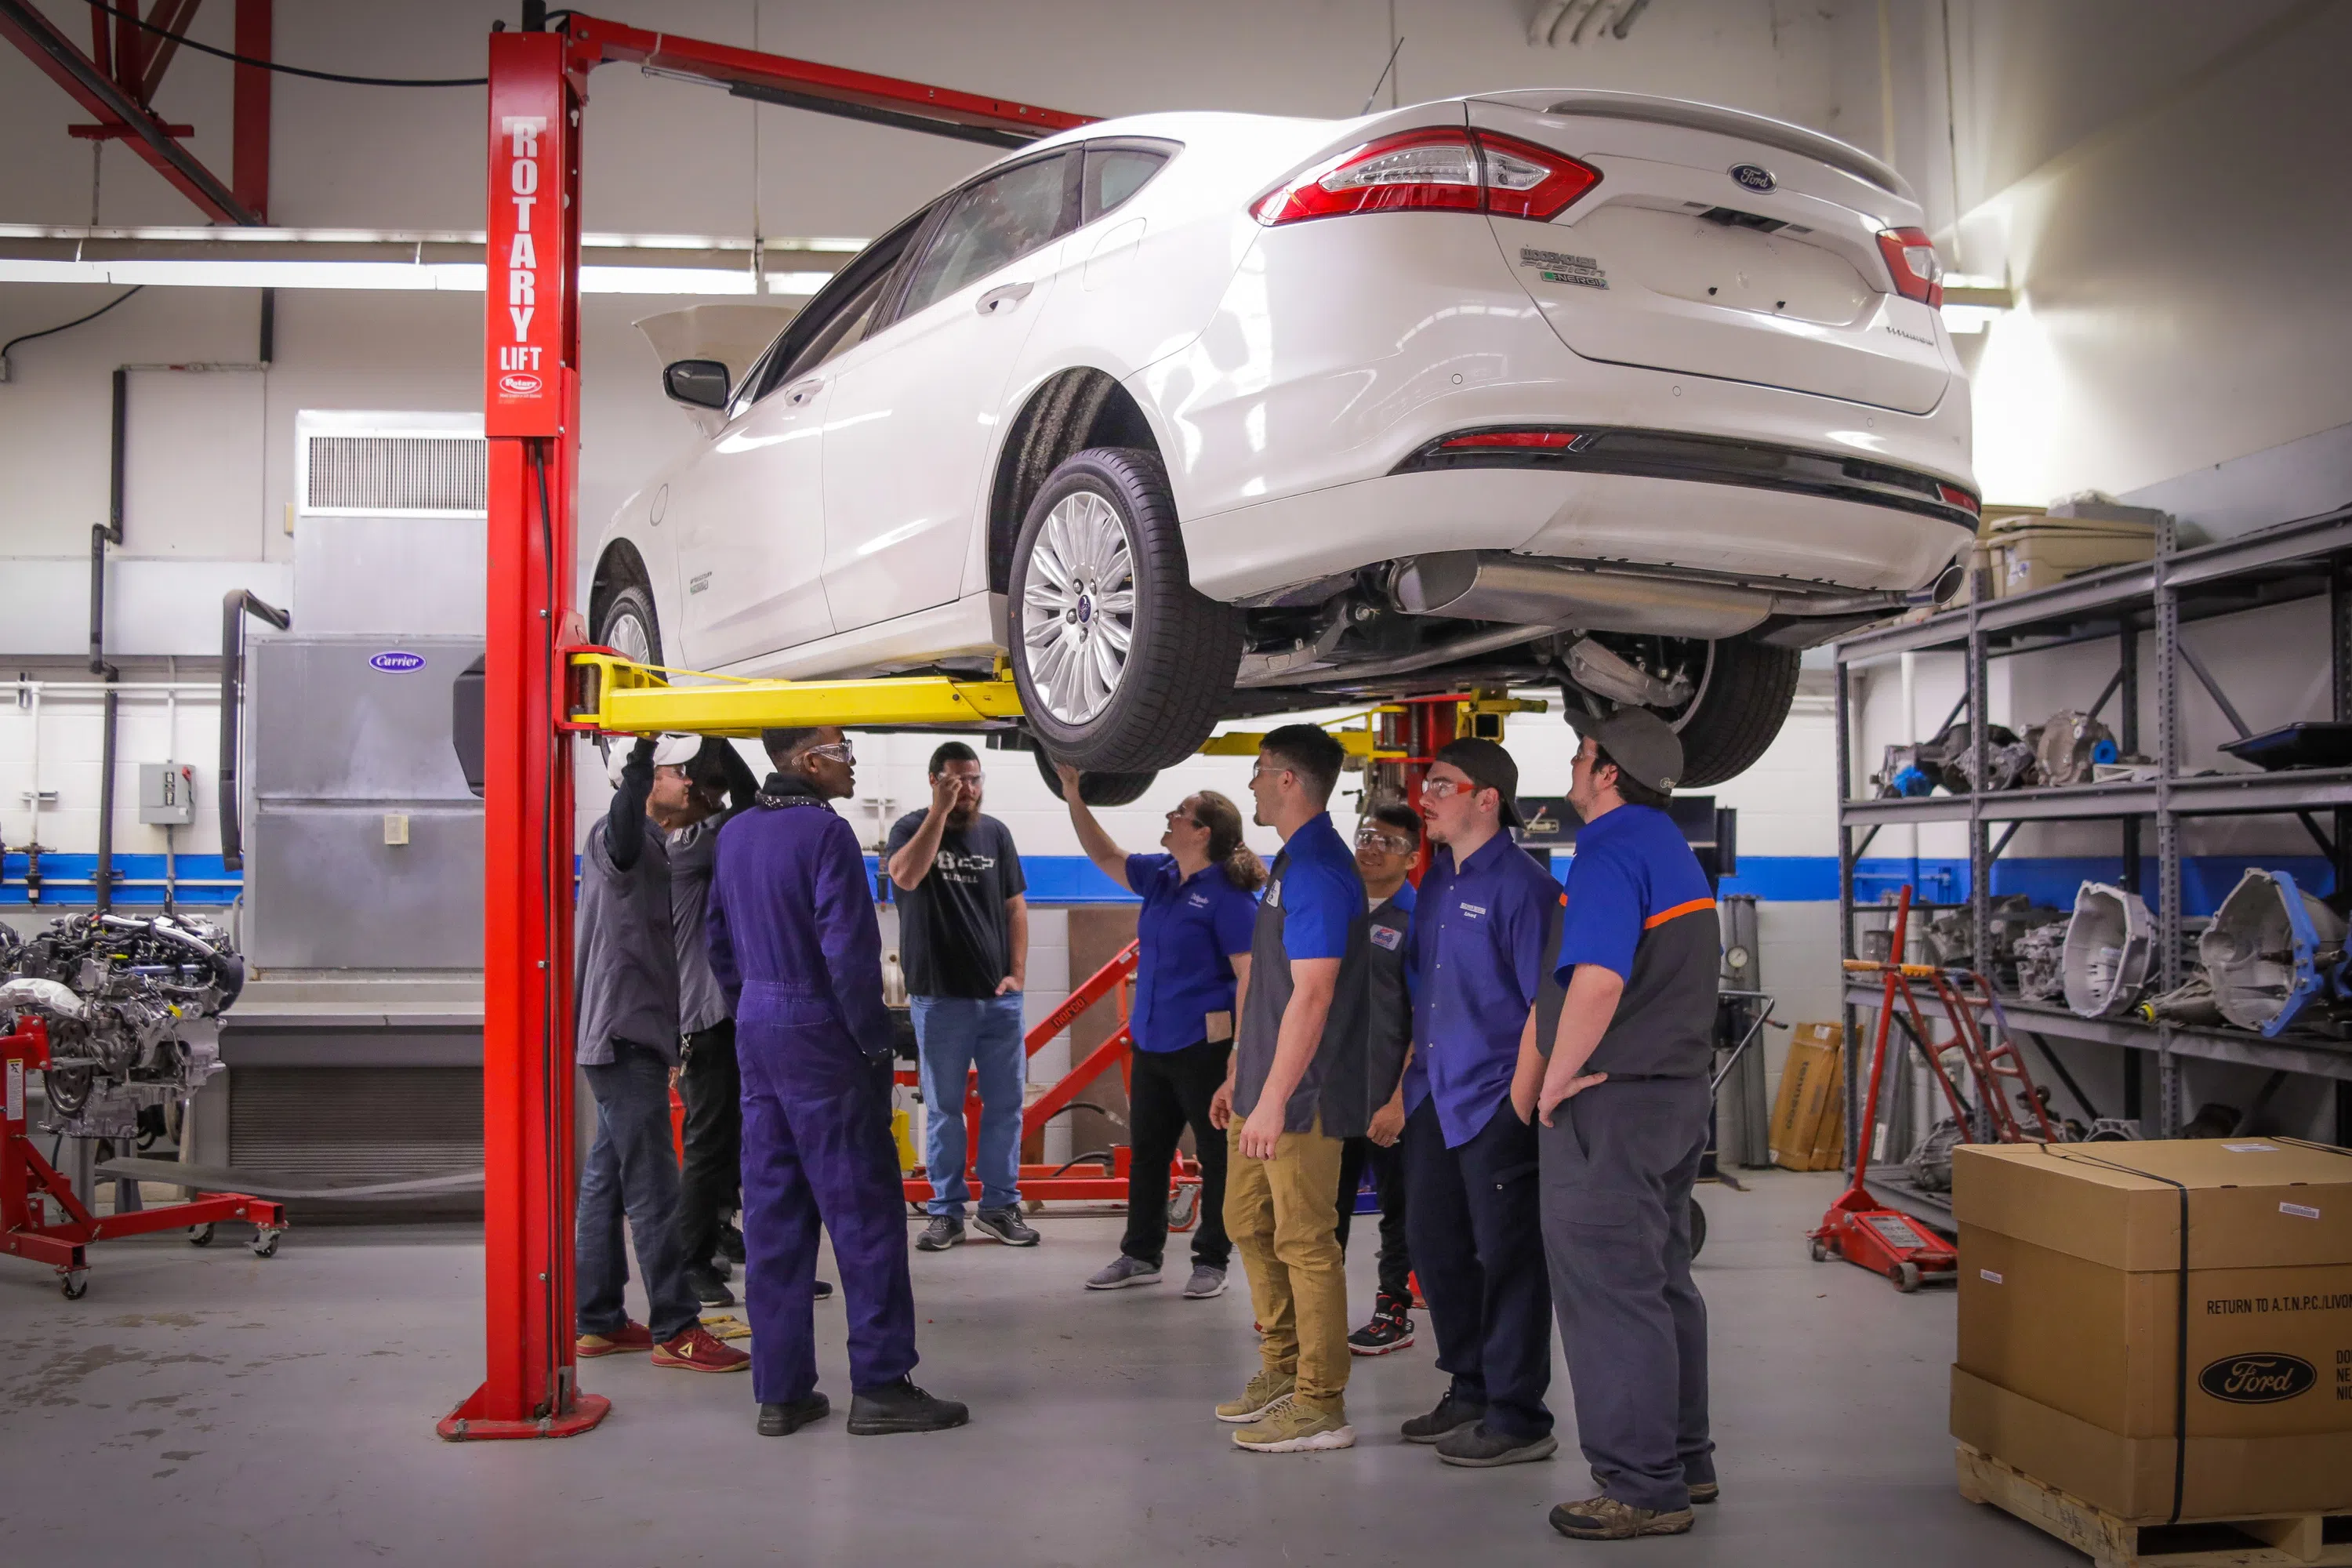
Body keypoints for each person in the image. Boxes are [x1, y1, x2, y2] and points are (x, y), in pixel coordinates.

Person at [709, 725, 967, 1437]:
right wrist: (872, 1045)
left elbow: (717, 943)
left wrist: (755, 1014)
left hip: (759, 1029)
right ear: (811, 761)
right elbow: (849, 955)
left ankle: (782, 1393)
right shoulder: (827, 838)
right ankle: (882, 1384)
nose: (852, 765)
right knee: (863, 1211)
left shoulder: (733, 835)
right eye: (844, 754)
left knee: (774, 1214)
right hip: (823, 1034)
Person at [1526, 709, 1718, 1540]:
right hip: (1673, 1097)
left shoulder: (1607, 846)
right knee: (1664, 1279)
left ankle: (1642, 1485)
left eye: (1581, 753)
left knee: (1609, 1292)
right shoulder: (1670, 847)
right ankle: (1684, 1458)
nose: (1574, 764)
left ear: (1607, 771)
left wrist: (1554, 1081)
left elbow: (1597, 981)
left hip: (1611, 1101)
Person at [1396, 738, 1560, 1468]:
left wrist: (1517, 1110)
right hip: (1434, 1096)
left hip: (1494, 1100)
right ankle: (1469, 1386)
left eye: (1441, 785)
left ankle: (1520, 1413)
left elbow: (1543, 1009)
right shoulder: (1434, 882)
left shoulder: (1523, 886)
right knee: (1436, 1250)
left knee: (1508, 1259)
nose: (1424, 797)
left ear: (1486, 798)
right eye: (1426, 784)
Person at [1209, 724, 1370, 1454]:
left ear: (1289, 782)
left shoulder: (1319, 872)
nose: (1250, 785)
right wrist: (1240, 1075)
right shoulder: (1290, 863)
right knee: (1245, 1221)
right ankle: (1282, 1369)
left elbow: (1314, 993)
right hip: (1262, 1086)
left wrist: (1273, 1098)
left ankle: (1320, 1402)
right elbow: (1270, 990)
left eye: (1258, 771)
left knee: (1306, 1240)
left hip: (1301, 1097)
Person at [572, 734, 751, 1376]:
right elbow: (625, 819)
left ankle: (596, 1319)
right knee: (652, 1186)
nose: (701, 795)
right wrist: (645, 744)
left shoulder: (661, 846)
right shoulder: (618, 836)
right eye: (688, 780)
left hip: (628, 1032)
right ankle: (675, 1327)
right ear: (655, 781)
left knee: (607, 1178)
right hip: (620, 1034)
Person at [1056, 765, 1261, 1300]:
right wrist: (1076, 797)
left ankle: (1211, 1259)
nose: (1170, 819)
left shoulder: (1230, 897)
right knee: (1148, 1151)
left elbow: (1250, 976)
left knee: (1217, 1154)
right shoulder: (1164, 874)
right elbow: (1105, 856)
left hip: (1204, 1047)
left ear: (1203, 833)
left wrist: (1240, 1053)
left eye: (1180, 814)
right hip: (1151, 1041)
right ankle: (1140, 1253)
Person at [887, 742, 1039, 1251]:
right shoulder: (911, 828)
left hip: (999, 1001)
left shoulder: (996, 833)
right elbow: (905, 875)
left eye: (974, 780)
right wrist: (940, 811)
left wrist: (1017, 975)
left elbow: (1016, 908)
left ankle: (999, 1207)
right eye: (957, 781)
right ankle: (945, 1213)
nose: (968, 790)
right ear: (935, 781)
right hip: (940, 998)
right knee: (945, 1109)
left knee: (1005, 1108)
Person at [666, 738, 785, 1308]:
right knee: (710, 1143)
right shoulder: (687, 845)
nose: (715, 800)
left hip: (727, 1013)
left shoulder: (697, 840)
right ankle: (689, 1265)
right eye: (703, 789)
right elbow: (751, 799)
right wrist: (714, 739)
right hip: (706, 1017)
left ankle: (720, 1236)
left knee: (736, 1139)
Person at [1337, 801, 1421, 1356]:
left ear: (1411, 859)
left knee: (1400, 1212)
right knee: (1326, 1209)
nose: (1370, 846)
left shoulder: (1418, 919)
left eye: (1386, 842)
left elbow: (1428, 1019)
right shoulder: (1340, 908)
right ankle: (1314, 1314)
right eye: (1366, 835)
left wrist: (1398, 1101)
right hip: (1337, 1093)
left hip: (1391, 1098)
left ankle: (1394, 1310)